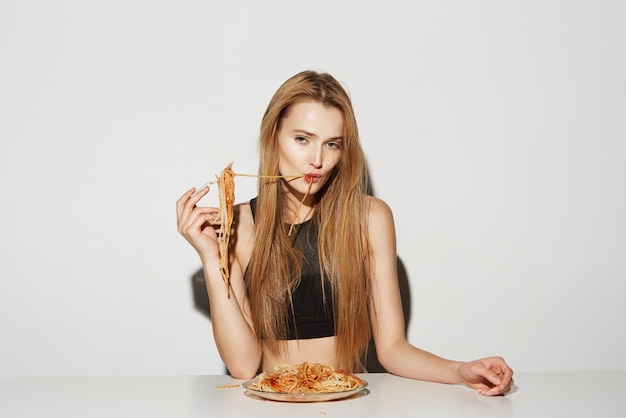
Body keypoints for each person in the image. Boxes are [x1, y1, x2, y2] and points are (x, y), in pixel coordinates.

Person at [176, 70, 514, 396]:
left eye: (332, 144)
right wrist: (211, 258)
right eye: (302, 139)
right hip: (273, 403)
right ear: (273, 135)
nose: (317, 160)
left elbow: (392, 348)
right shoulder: (238, 225)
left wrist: (460, 371)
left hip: (348, 402)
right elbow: (244, 366)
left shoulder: (369, 219)